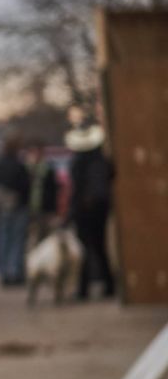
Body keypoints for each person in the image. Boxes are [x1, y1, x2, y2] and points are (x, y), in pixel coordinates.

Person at [64, 118, 115, 300]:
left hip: (84, 212)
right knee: (100, 246)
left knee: (84, 248)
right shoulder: (101, 159)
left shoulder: (79, 162)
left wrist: (70, 213)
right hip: (100, 209)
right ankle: (109, 284)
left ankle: (84, 288)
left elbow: (76, 190)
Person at [0, 135, 32, 286]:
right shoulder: (18, 165)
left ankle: (4, 272)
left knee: (3, 239)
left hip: (3, 208)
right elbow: (26, 185)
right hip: (19, 206)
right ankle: (15, 272)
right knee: (17, 240)